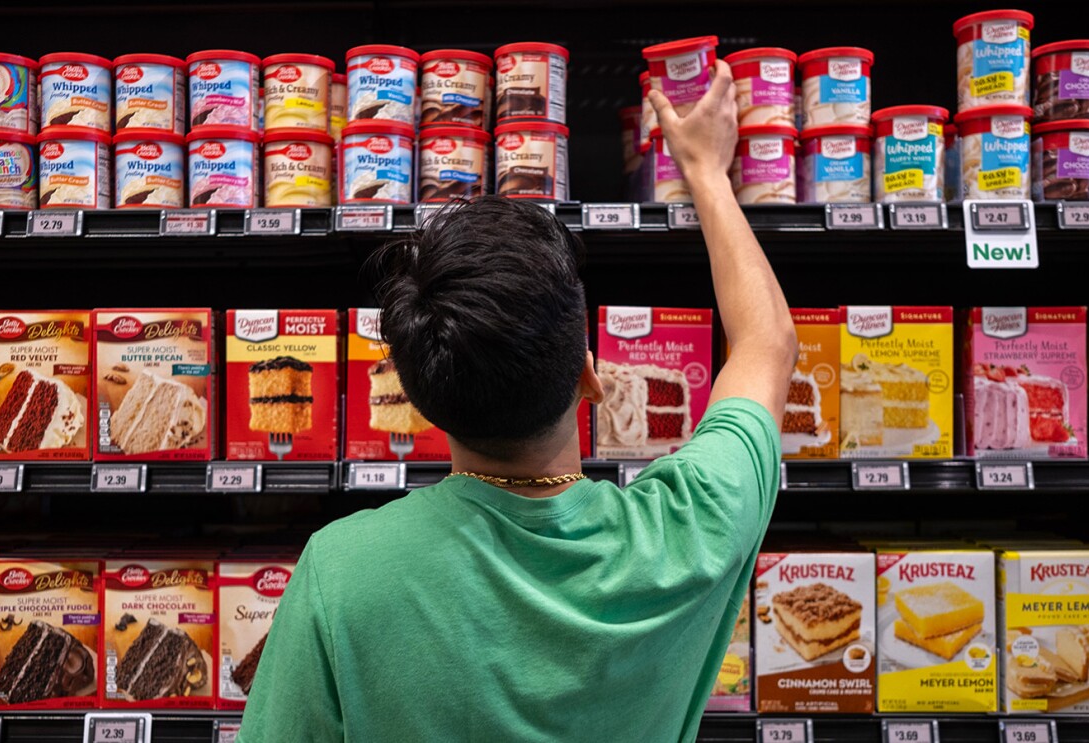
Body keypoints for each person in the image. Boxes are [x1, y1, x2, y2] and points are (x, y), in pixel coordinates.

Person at [238, 59, 796, 742]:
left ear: (417, 399)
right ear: (590, 376)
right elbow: (768, 343)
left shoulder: (342, 569)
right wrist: (706, 171)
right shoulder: (689, 529)